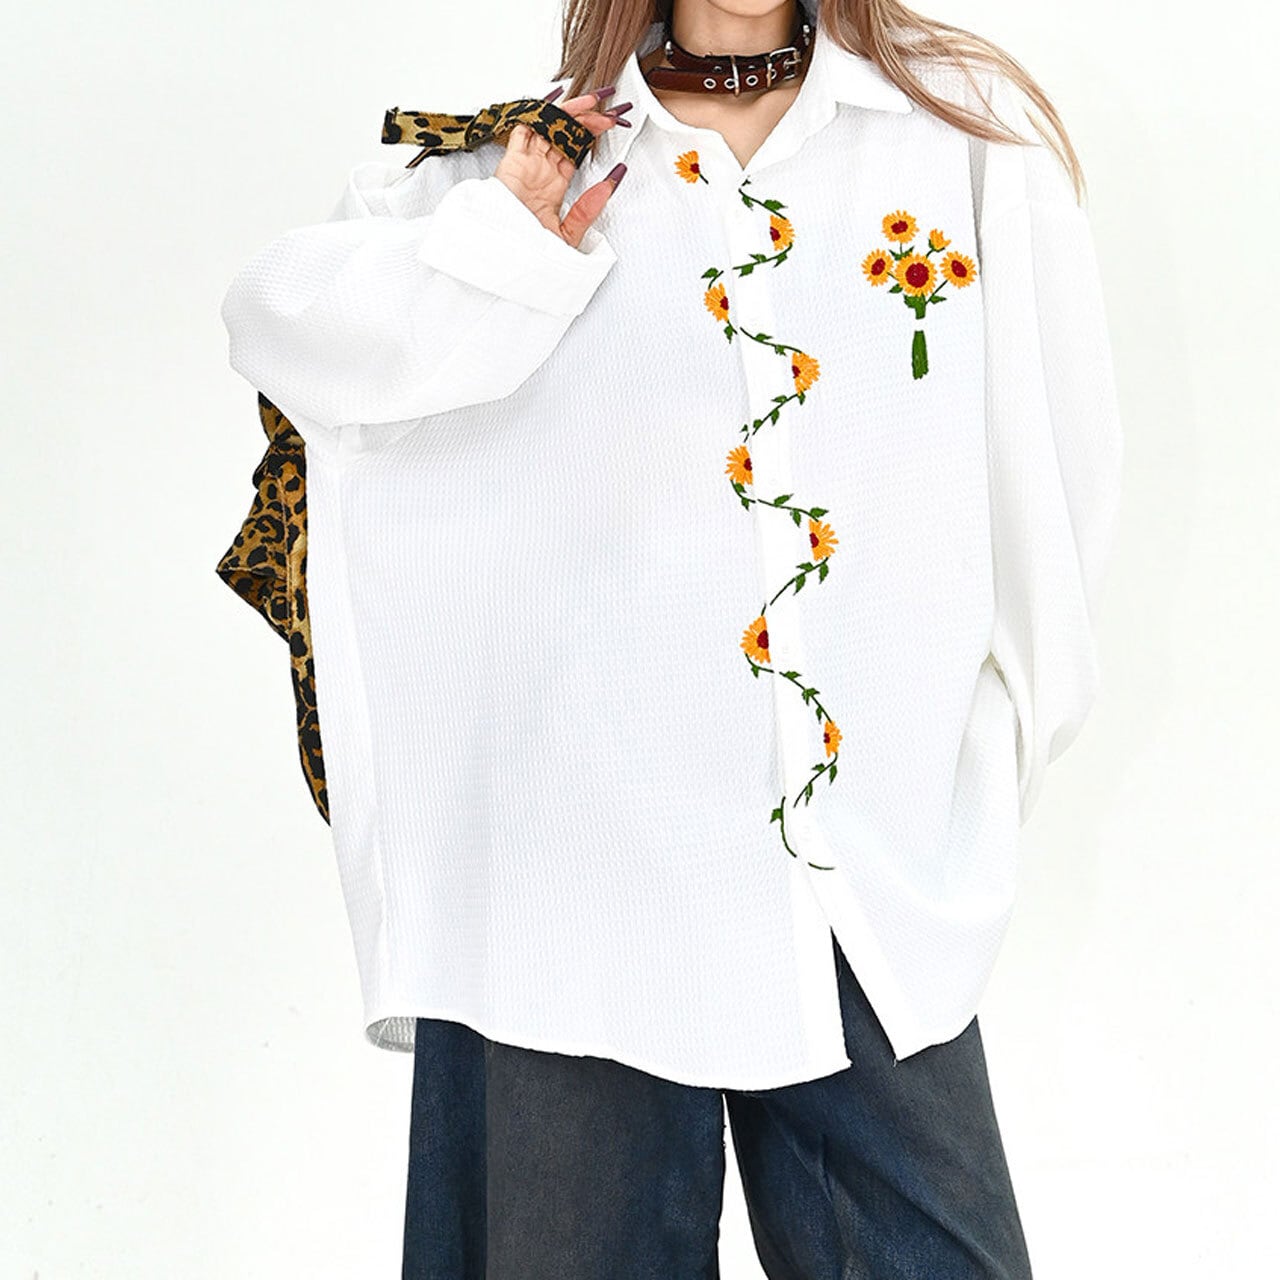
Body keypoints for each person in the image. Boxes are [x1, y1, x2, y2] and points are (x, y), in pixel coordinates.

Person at [219, 0, 1123, 1275]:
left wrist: (951, 790)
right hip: (570, 906)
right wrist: (503, 251)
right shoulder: (535, 162)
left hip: (857, 885)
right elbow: (281, 327)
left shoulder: (962, 138)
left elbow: (1053, 492)